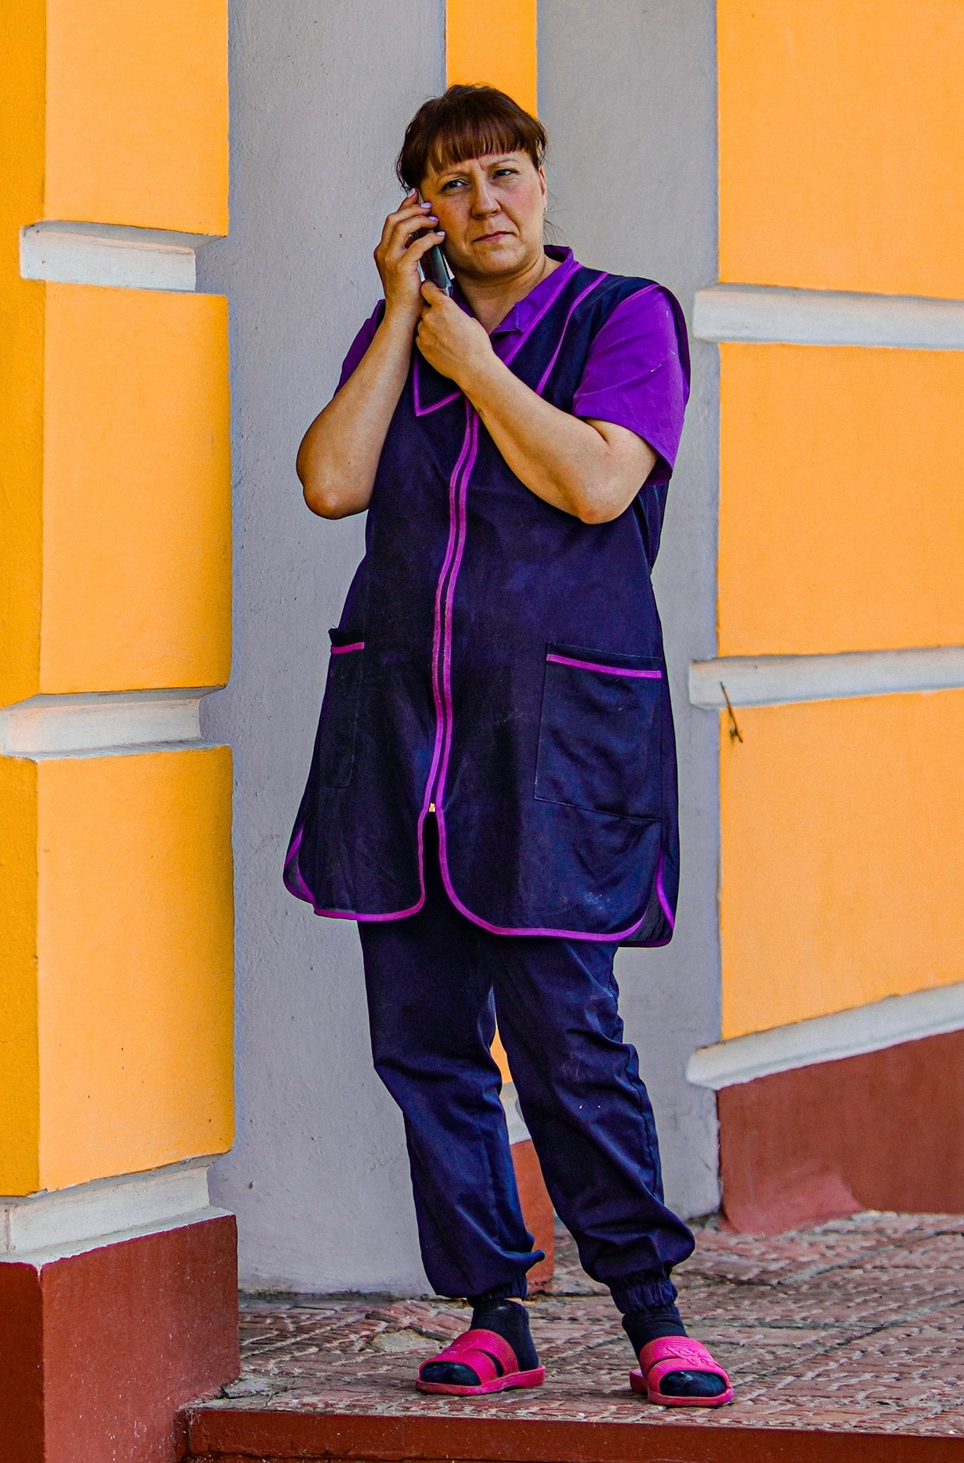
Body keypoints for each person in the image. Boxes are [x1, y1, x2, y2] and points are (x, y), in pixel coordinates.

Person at [288, 84, 732, 1408]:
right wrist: (400, 324)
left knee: (567, 1032)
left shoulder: (623, 318)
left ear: (542, 181)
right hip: (400, 737)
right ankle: (493, 1309)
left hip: (554, 741)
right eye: (454, 184)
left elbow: (599, 480)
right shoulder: (398, 332)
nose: (487, 203)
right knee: (423, 1040)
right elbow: (329, 480)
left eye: (505, 175)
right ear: (422, 207)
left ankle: (650, 1308)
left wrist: (476, 366)